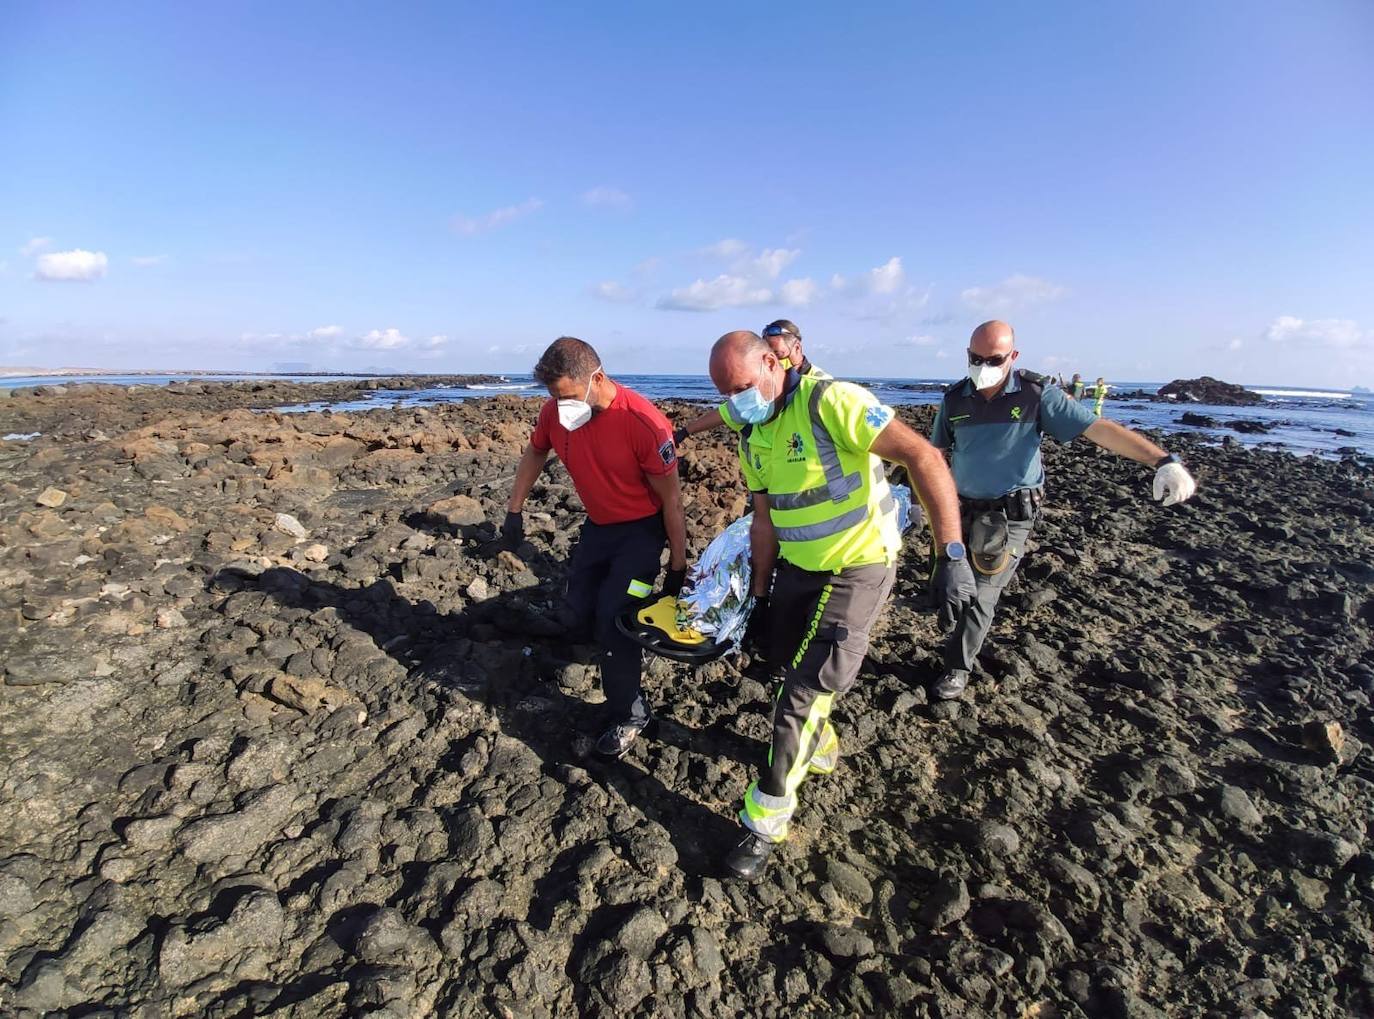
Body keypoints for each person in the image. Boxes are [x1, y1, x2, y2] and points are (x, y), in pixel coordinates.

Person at [708, 330, 975, 879]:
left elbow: (923, 455)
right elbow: (764, 521)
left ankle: (765, 821)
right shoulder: (751, 429)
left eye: (740, 388)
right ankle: (821, 745)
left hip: (859, 565)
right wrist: (759, 598)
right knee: (782, 663)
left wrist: (949, 553)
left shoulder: (834, 403)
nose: (735, 404)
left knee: (801, 695)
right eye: (725, 395)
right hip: (800, 568)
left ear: (771, 360)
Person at [928, 321, 1197, 700]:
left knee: (981, 594)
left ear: (1013, 357)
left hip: (1007, 518)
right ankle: (949, 617)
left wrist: (1162, 461)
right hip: (958, 512)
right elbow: (935, 455)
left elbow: (1098, 429)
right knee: (949, 581)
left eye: (994, 359)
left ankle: (956, 667)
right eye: (976, 357)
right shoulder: (955, 399)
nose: (983, 365)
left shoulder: (1038, 396)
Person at [502, 337, 688, 757]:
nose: (561, 406)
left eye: (567, 395)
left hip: (641, 533)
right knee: (578, 607)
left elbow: (672, 500)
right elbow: (535, 453)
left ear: (596, 378)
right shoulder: (555, 412)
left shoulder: (643, 423)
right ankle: (610, 655)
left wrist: (677, 565)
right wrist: (514, 510)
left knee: (614, 618)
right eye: (554, 397)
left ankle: (631, 713)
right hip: (598, 527)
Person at [674, 320, 831, 446]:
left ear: (797, 348)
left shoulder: (822, 391)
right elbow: (727, 412)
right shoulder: (757, 399)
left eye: (777, 354)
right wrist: (685, 432)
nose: (774, 362)